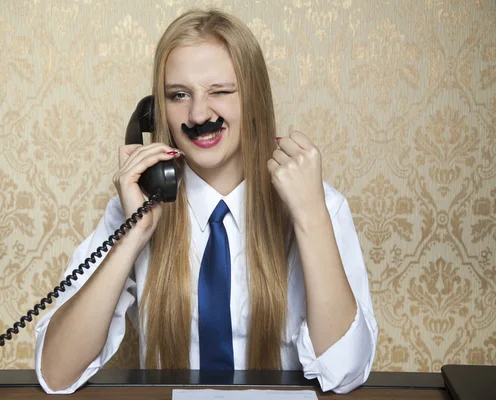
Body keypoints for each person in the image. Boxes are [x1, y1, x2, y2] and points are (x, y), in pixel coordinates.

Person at [35, 8, 378, 394]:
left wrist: (310, 217)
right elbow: (56, 373)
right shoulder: (138, 205)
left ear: (255, 99)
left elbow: (345, 374)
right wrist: (134, 234)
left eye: (220, 91)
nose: (198, 114)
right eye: (179, 95)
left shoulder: (320, 205)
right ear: (156, 110)